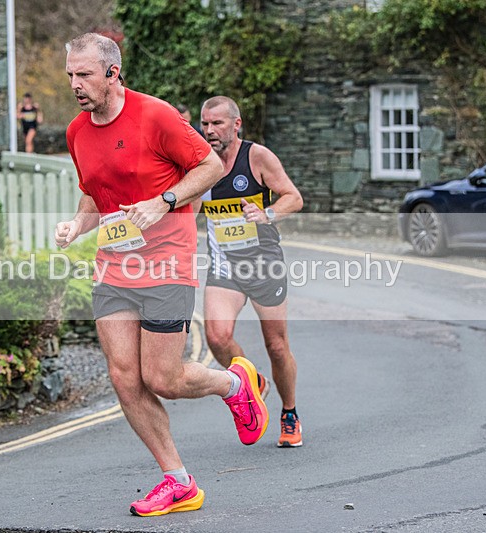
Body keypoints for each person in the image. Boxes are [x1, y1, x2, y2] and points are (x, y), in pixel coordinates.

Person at [55, 34, 269, 517]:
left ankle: (235, 385)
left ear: (112, 73)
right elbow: (95, 195)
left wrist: (165, 200)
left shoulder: (155, 116)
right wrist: (76, 224)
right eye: (70, 74)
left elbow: (211, 165)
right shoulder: (76, 132)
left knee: (164, 378)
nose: (75, 84)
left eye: (84, 74)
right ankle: (179, 481)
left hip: (167, 262)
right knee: (124, 377)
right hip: (114, 265)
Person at [198, 95, 304, 448]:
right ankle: (251, 381)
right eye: (205, 123)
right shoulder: (199, 163)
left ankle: (289, 413)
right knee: (216, 337)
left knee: (276, 344)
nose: (210, 130)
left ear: (236, 124)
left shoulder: (256, 157)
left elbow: (293, 196)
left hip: (263, 262)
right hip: (224, 264)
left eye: (217, 123)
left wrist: (267, 214)